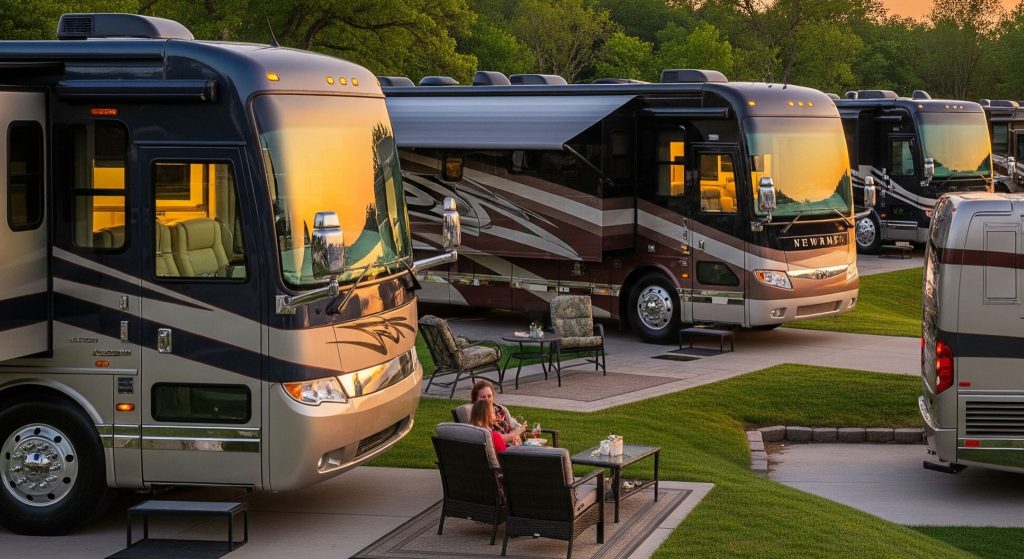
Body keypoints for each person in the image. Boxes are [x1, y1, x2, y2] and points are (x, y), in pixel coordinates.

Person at [470, 379, 527, 446]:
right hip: (504, 450)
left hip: (514, 446)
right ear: (476, 399)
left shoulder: (501, 409)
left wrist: (516, 434)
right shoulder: (478, 415)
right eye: (483, 397)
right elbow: (492, 438)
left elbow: (514, 425)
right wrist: (513, 435)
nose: (487, 399)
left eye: (489, 396)